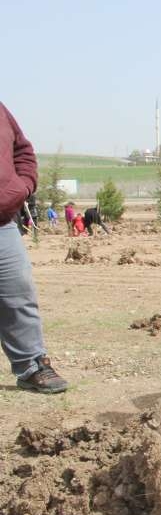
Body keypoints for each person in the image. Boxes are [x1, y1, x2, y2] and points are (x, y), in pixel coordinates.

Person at [0, 102, 68, 394]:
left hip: (2, 221)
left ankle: (30, 365)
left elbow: (23, 151)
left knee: (18, 291)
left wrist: (23, 186)